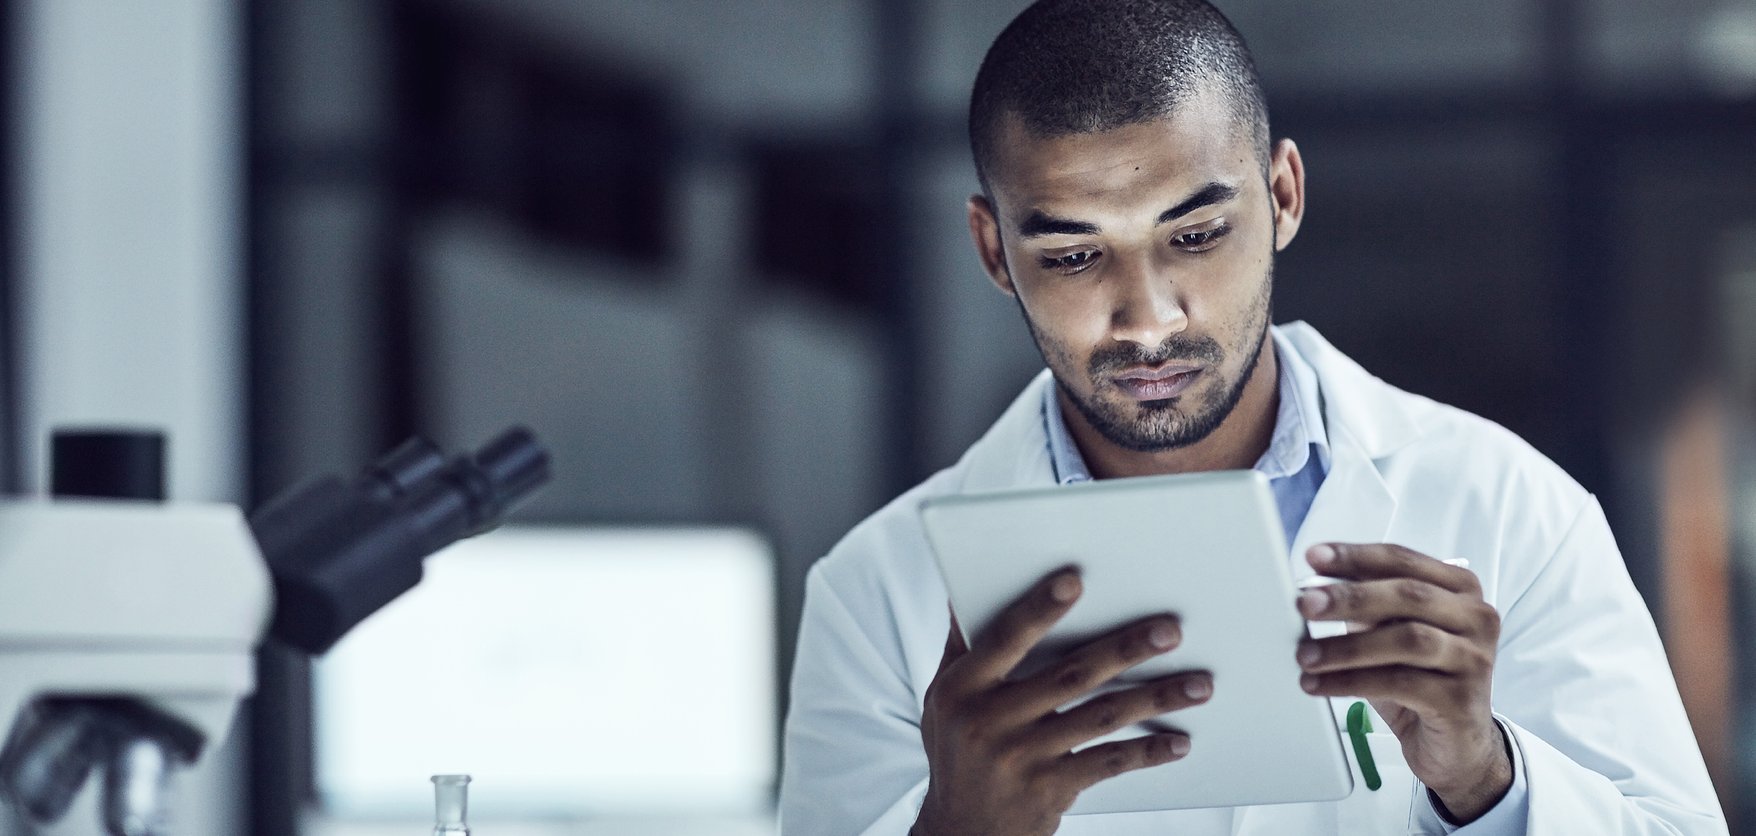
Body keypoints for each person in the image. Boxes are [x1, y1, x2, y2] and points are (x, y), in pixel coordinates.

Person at [777, 0, 1727, 833]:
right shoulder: (873, 595)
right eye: (1072, 256)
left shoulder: (1514, 509)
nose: (1148, 315)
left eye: (1194, 236)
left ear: (1281, 196)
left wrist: (1488, 779)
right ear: (994, 251)